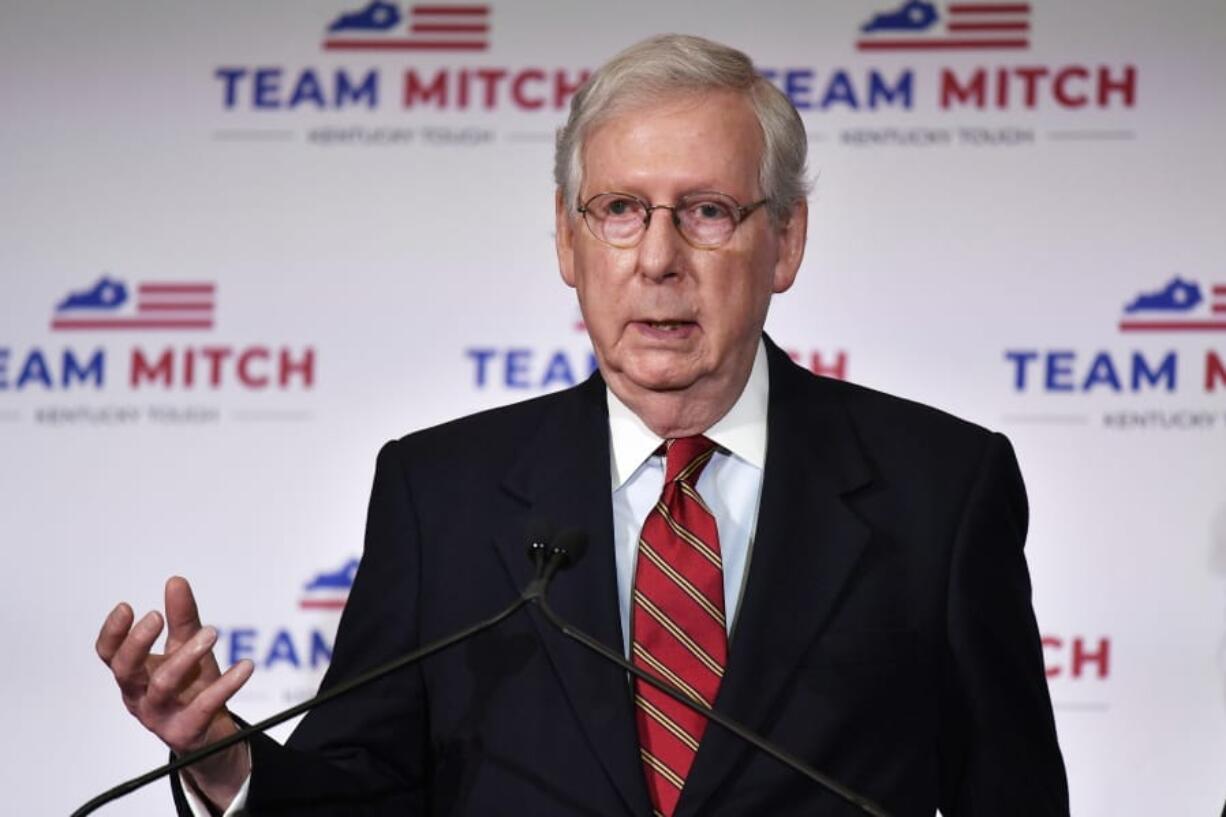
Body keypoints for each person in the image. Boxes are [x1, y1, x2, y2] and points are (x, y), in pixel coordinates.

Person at [94, 33, 1069, 816]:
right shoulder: (440, 492)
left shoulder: (938, 490)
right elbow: (361, 793)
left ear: (786, 241)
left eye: (708, 211)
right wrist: (225, 762)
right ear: (566, 239)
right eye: (616, 209)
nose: (656, 258)